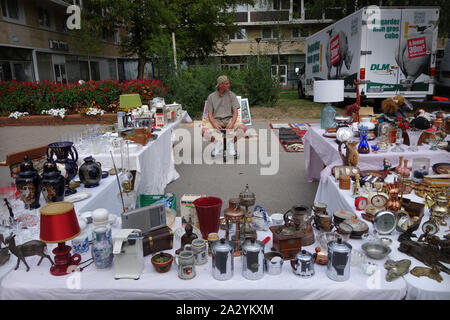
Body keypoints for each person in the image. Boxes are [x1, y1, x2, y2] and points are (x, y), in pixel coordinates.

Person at [202, 75, 247, 157]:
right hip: (216, 120)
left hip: (229, 119)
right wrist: (214, 124)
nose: (228, 85)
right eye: (226, 84)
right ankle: (217, 143)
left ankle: (231, 143)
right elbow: (209, 114)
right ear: (220, 85)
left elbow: (235, 112)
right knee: (203, 132)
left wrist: (232, 123)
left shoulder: (232, 95)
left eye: (228, 83)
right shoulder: (211, 97)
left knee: (243, 128)